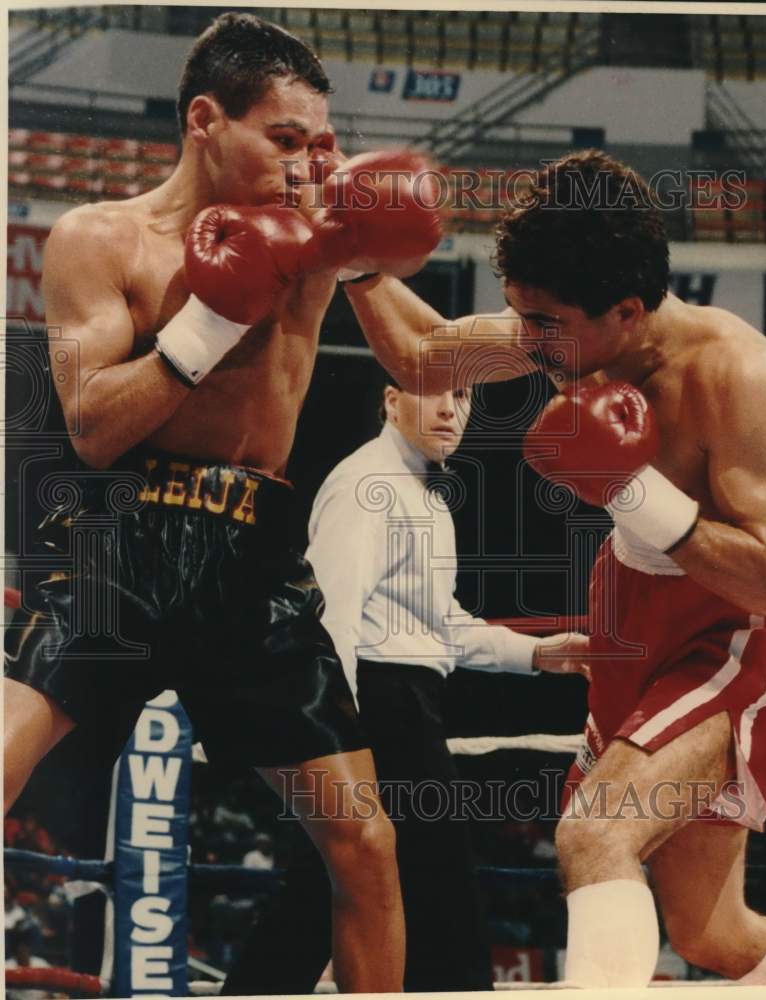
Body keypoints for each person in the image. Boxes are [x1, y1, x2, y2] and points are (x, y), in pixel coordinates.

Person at [3, 12, 443, 991]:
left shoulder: (322, 239)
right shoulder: (96, 237)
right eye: (283, 139)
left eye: (316, 144)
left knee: (367, 842)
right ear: (207, 119)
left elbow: (424, 357)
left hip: (252, 553)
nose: (303, 164)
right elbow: (92, 425)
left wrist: (543, 341)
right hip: (120, 535)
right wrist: (209, 318)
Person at [337, 150, 766, 986]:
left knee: (595, 830)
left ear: (627, 310)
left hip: (735, 623)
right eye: (519, 319)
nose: (526, 343)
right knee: (713, 933)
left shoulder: (738, 374)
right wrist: (355, 265)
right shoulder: (566, 332)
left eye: (544, 326)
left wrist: (627, 485)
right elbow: (429, 358)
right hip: (629, 602)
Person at [223, 381, 581, 994]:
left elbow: (439, 626)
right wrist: (339, 737)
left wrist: (539, 654)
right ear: (389, 401)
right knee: (440, 893)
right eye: (433, 393)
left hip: (401, 703)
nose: (450, 409)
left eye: (464, 396)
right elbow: (329, 617)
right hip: (377, 710)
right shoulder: (369, 485)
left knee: (322, 896)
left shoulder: (425, 495)